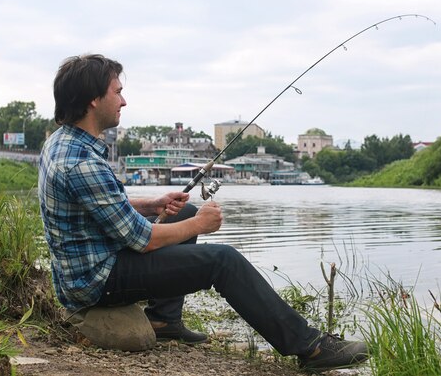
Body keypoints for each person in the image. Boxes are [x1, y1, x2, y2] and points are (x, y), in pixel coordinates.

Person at [38, 54, 368, 371]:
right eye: (118, 92)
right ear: (94, 99)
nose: (123, 101)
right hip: (96, 280)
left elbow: (95, 206)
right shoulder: (82, 161)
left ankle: (164, 320)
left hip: (87, 266)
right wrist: (201, 225)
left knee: (184, 213)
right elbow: (144, 241)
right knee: (222, 260)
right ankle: (310, 347)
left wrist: (151, 205)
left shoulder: (63, 143)